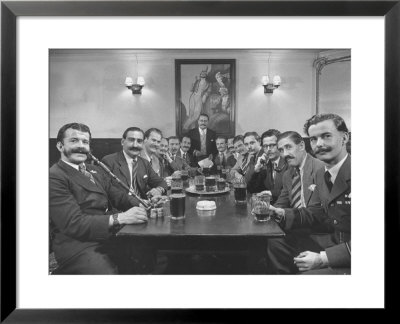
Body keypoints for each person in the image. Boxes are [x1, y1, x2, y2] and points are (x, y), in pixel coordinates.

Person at [49, 123, 148, 274]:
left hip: (108, 235)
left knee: (148, 255)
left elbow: (117, 195)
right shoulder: (54, 176)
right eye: (74, 141)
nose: (81, 146)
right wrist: (119, 218)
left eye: (85, 142)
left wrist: (143, 204)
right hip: (78, 244)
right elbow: (74, 224)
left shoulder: (93, 169)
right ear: (60, 146)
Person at [267, 113, 351, 274]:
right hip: (332, 241)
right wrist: (281, 213)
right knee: (275, 243)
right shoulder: (323, 173)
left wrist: (323, 258)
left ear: (344, 138)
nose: (319, 144)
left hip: (347, 252)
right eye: (313, 139)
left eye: (326, 136)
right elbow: (317, 212)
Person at [101, 127, 167, 201]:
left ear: (142, 144)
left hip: (143, 205)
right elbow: (109, 192)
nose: (135, 145)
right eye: (131, 140)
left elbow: (161, 182)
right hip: (122, 209)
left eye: (139, 141)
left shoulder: (144, 163)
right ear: (123, 142)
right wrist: (136, 203)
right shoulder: (109, 161)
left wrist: (158, 190)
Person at [247, 129, 288, 201]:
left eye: (272, 145)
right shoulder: (266, 164)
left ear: (280, 145)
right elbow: (251, 189)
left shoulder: (288, 162)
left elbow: (290, 192)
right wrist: (256, 170)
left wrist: (271, 193)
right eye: (265, 146)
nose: (268, 149)